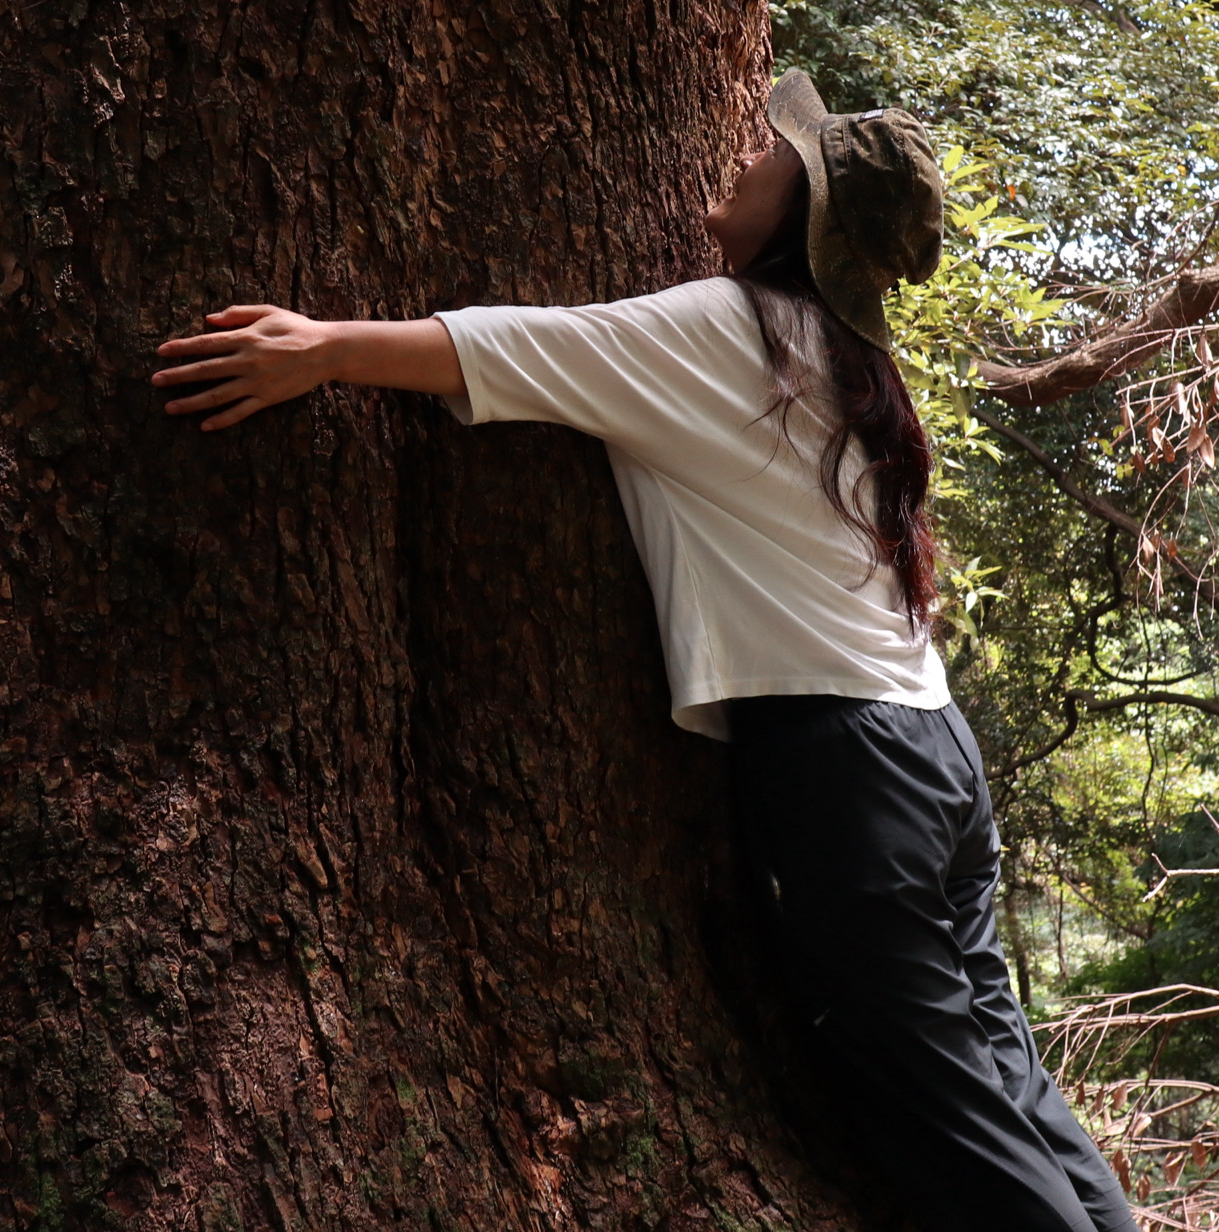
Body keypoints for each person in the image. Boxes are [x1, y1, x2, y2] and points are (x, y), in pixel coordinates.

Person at [149, 70, 1140, 1232]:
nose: (750, 155)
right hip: (930, 751)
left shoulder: (735, 329)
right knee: (1002, 1073)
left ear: (803, 212)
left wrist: (323, 348)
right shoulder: (840, 354)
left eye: (779, 157)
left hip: (849, 768)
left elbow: (534, 350)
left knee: (949, 1112)